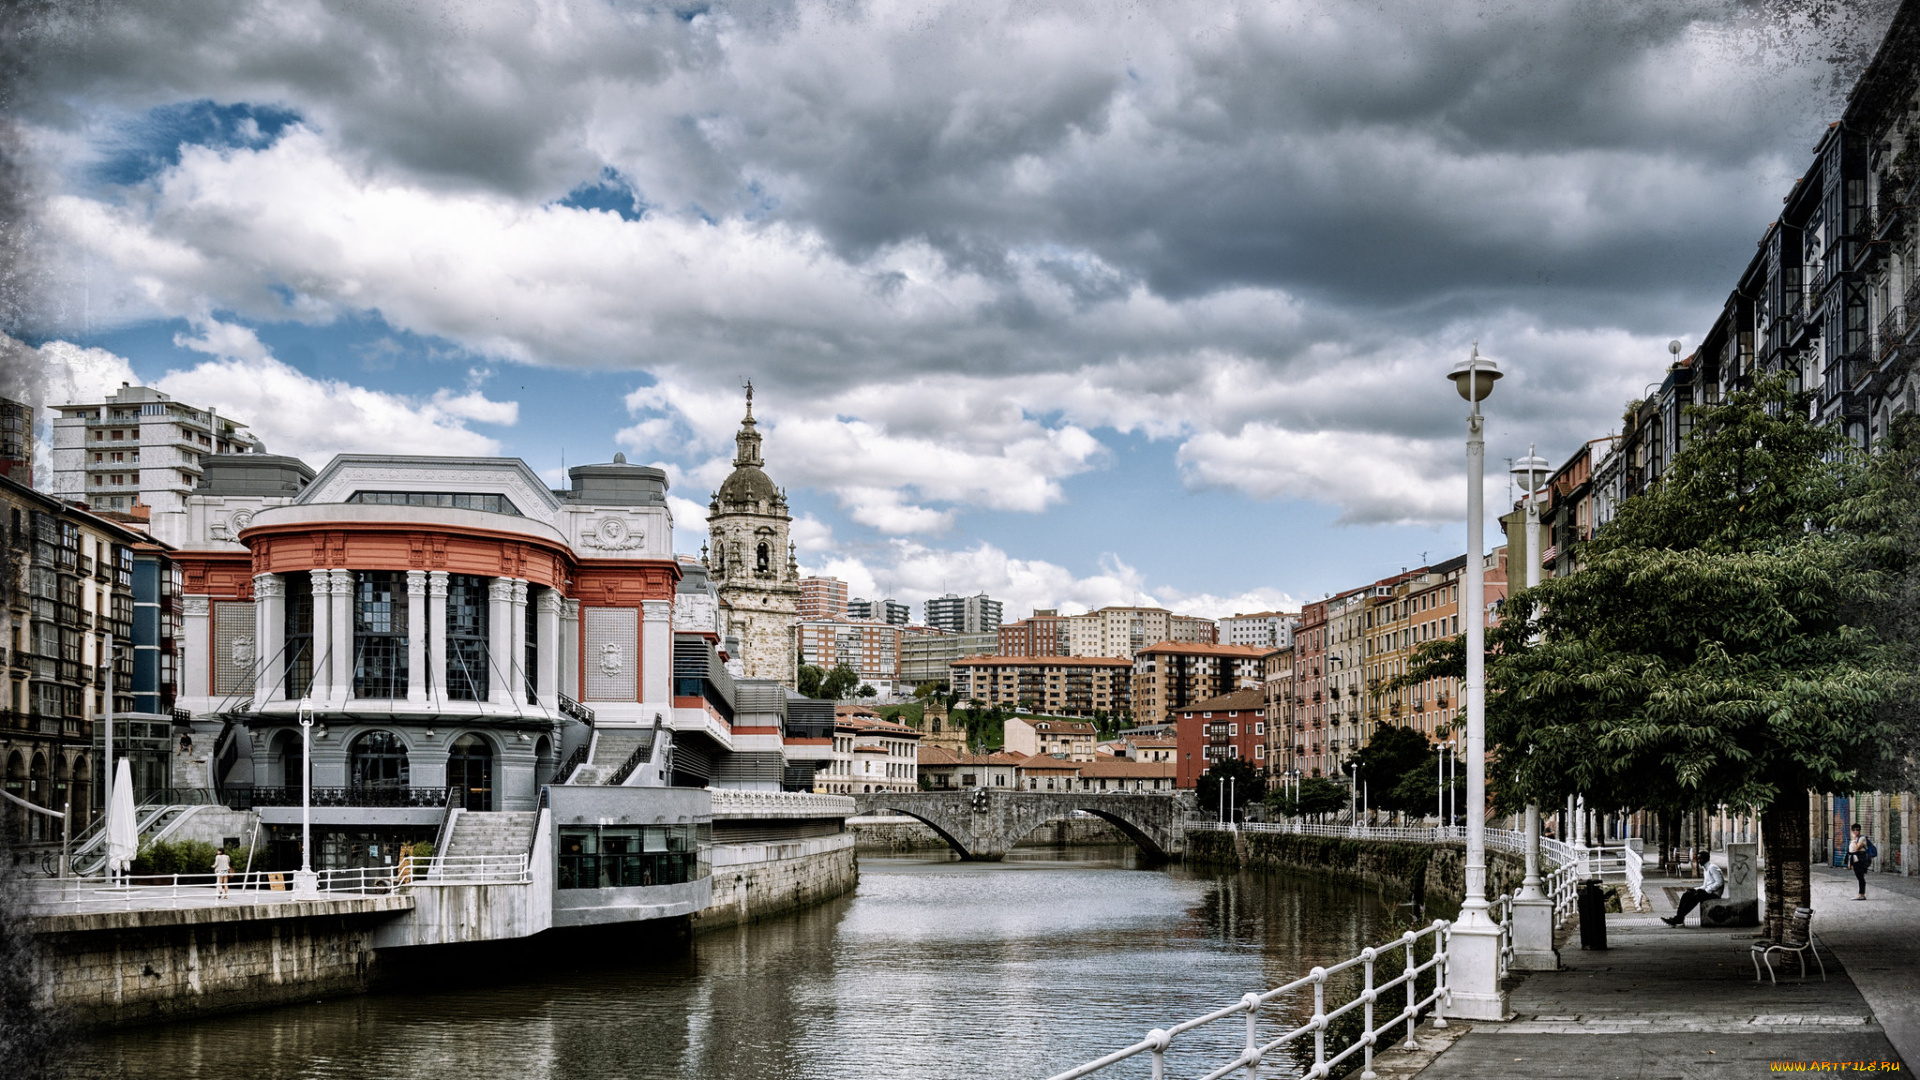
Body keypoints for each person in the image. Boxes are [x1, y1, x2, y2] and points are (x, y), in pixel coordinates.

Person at [1662, 849, 1723, 927]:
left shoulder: (1712, 868)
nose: (1698, 861)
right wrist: (1695, 889)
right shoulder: (1706, 868)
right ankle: (1679, 918)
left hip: (1714, 894)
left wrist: (1707, 890)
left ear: (1705, 859)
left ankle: (1678, 919)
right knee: (1687, 894)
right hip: (1708, 892)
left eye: (1700, 859)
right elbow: (1705, 885)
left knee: (1694, 898)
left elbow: (1719, 882)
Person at [1849, 824, 1872, 900]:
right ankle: (1861, 894)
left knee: (1860, 877)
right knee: (1859, 876)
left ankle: (1861, 894)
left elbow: (1856, 848)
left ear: (1859, 830)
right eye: (1854, 830)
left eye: (1857, 829)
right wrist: (1849, 863)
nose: (1855, 831)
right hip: (1855, 859)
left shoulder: (1862, 838)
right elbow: (1851, 851)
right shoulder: (1854, 839)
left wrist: (1855, 840)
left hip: (1861, 859)